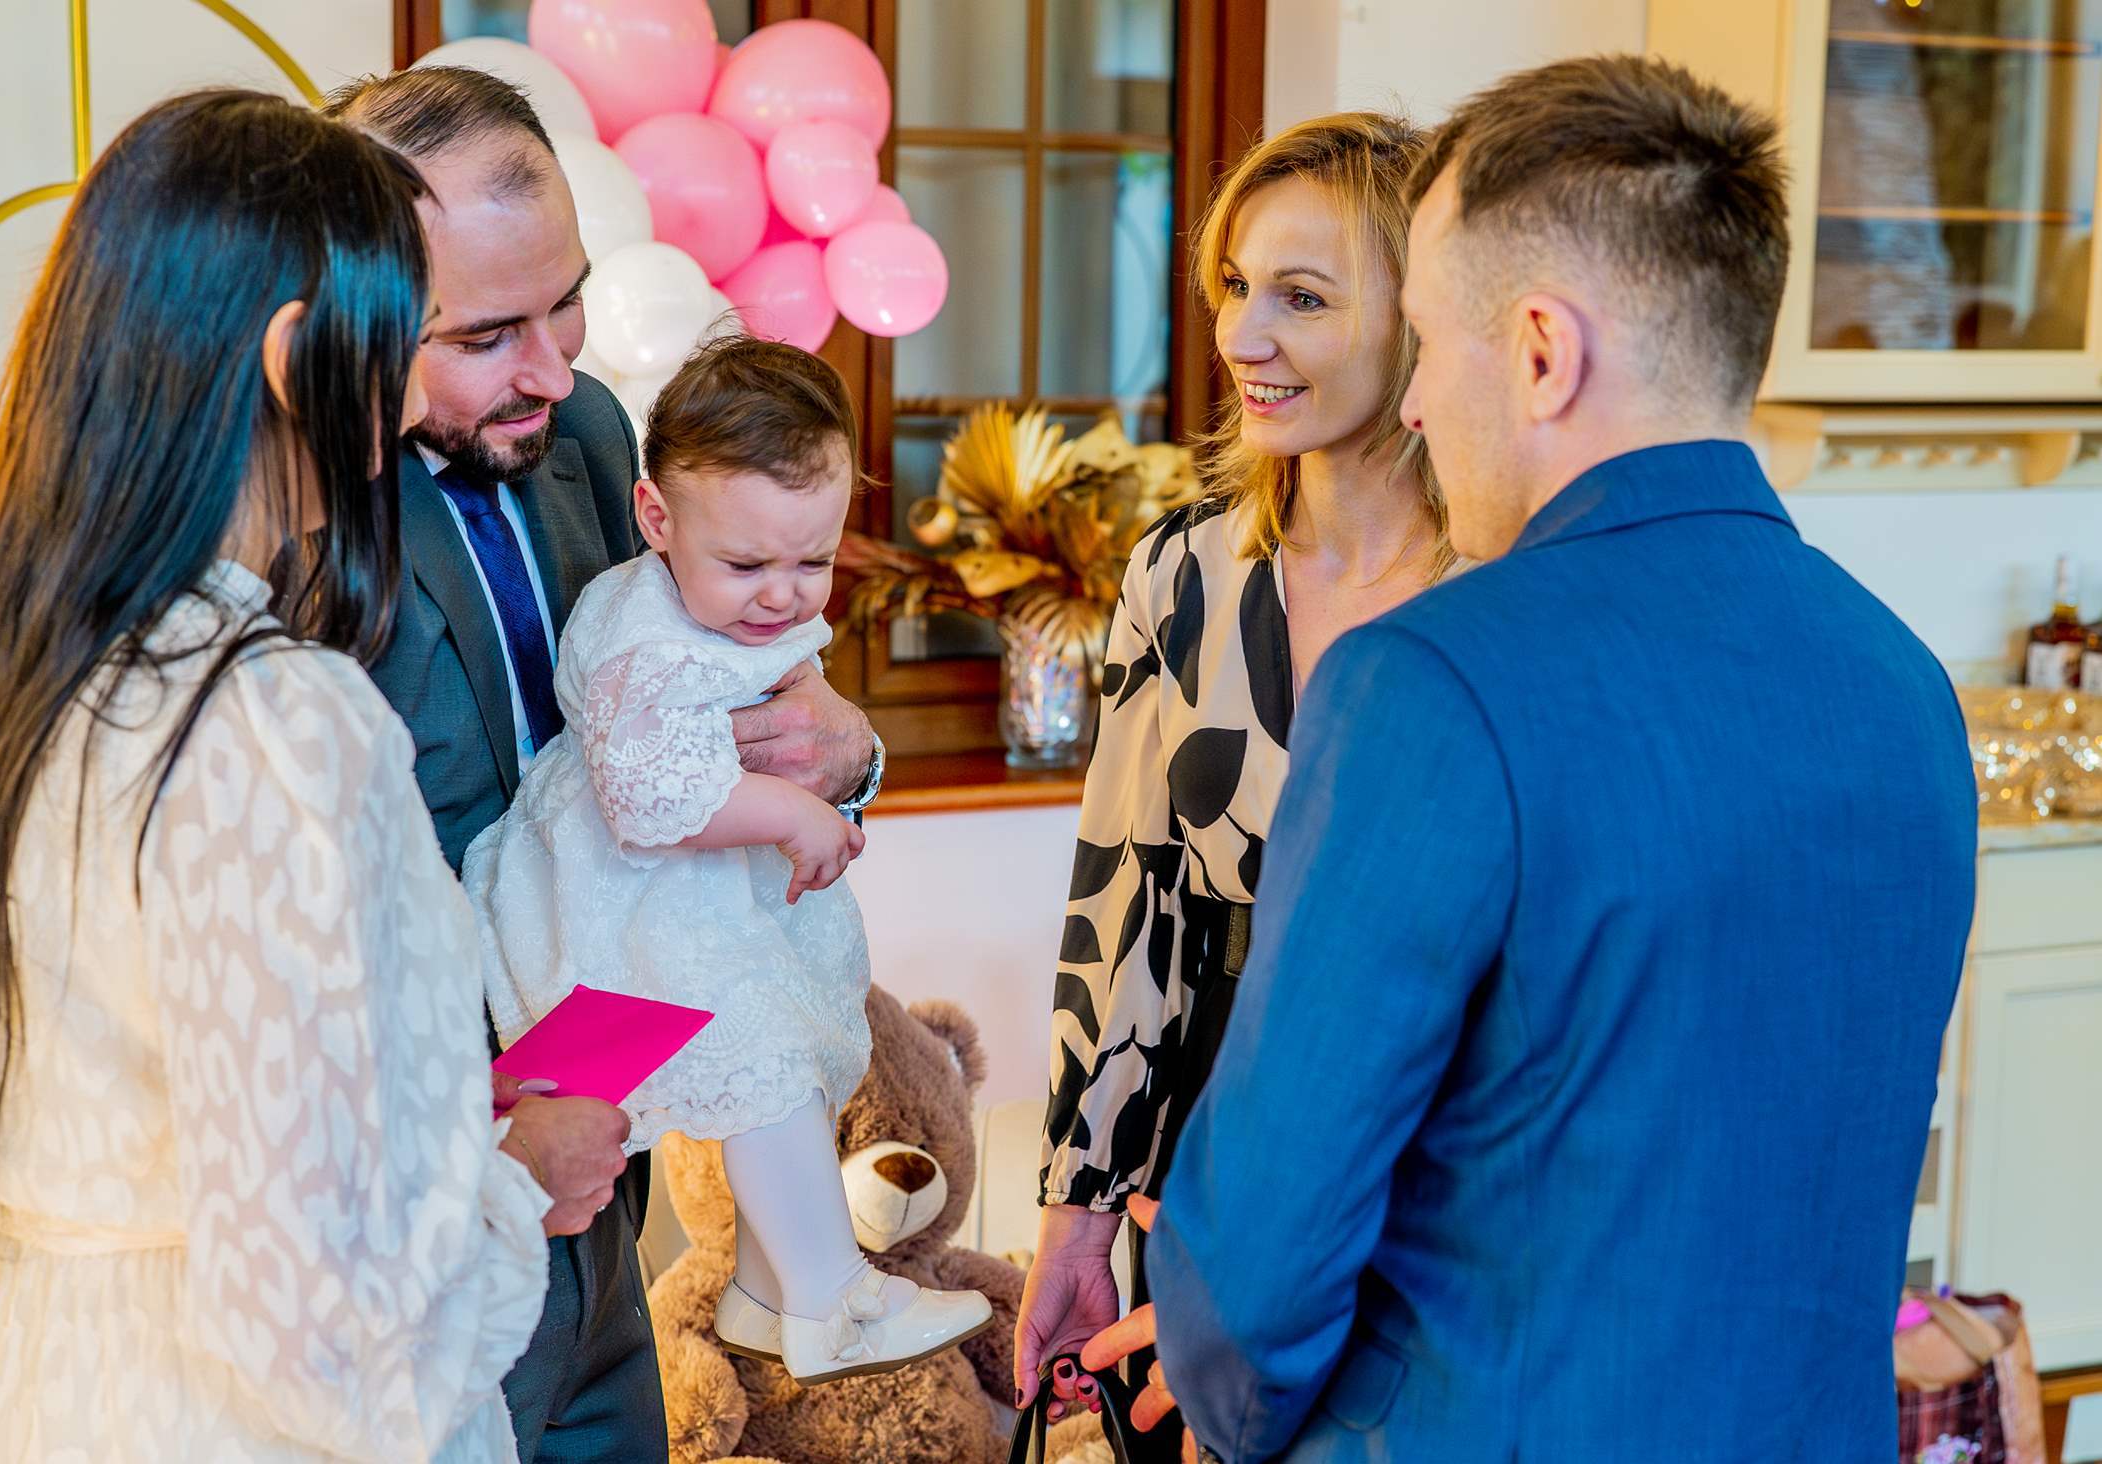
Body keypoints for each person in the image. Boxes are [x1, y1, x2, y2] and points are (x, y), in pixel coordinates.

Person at [1096, 56, 1977, 1463]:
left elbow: (1262, 1258)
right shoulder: (1904, 684)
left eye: (1431, 344)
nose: (1418, 406)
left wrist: (1219, 1377)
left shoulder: (1427, 682)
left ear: (1543, 353)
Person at [0, 90, 555, 1460]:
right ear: (297, 358)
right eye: (400, 342)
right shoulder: (265, 719)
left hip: (12, 1388)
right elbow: (316, 1333)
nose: (408, 400)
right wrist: (510, 1190)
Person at [321, 67, 887, 1461]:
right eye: (487, 334)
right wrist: (492, 1149)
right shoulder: (294, 520)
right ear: (357, 317)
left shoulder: (585, 436)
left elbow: (689, 690)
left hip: (610, 1144)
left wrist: (847, 746)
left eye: (564, 304)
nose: (554, 370)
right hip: (420, 1214)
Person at [1014, 113, 1452, 1434]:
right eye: (1234, 286)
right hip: (1210, 1143)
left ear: (1424, 318)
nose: (1242, 337)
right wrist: (1077, 1218)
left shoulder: (1510, 591)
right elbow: (1125, 907)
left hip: (1440, 1156)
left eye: (1301, 298)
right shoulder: (1184, 571)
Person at [467, 335, 993, 1387]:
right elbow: (649, 795)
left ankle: (765, 1288)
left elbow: (796, 710)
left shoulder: (720, 596)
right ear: (657, 518)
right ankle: (828, 1299)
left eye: (813, 563)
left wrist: (839, 762)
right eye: (748, 566)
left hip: (710, 900)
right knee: (763, 1061)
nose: (782, 596)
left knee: (790, 1061)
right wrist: (789, 815)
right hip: (630, 907)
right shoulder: (645, 639)